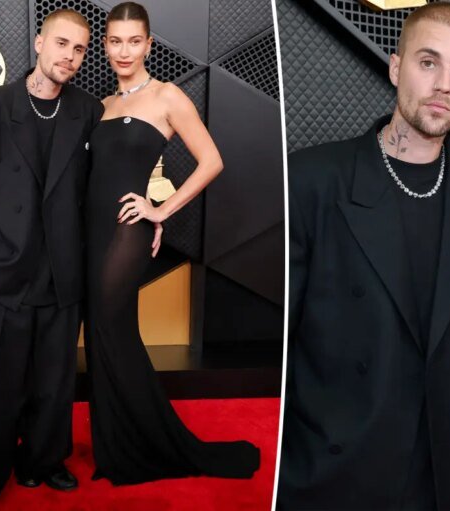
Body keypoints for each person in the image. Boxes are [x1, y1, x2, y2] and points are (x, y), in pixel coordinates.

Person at [277, 3, 450, 509]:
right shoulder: (314, 179)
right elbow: (279, 338)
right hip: (336, 465)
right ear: (395, 66)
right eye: (428, 63)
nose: (444, 84)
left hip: (445, 468)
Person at [83, 2, 260, 485]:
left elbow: (211, 161)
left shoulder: (167, 96)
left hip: (128, 229)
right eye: (115, 41)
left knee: (110, 329)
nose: (124, 50)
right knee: (100, 337)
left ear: (149, 44)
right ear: (105, 45)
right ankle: (116, 448)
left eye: (133, 41)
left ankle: (153, 446)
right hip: (91, 231)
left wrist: (160, 210)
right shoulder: (101, 105)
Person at [0, 9, 103, 511]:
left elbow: (99, 189)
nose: (70, 56)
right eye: (61, 43)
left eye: (79, 49)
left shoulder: (88, 111)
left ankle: (41, 462)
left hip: (61, 271)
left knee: (53, 381)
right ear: (38, 42)